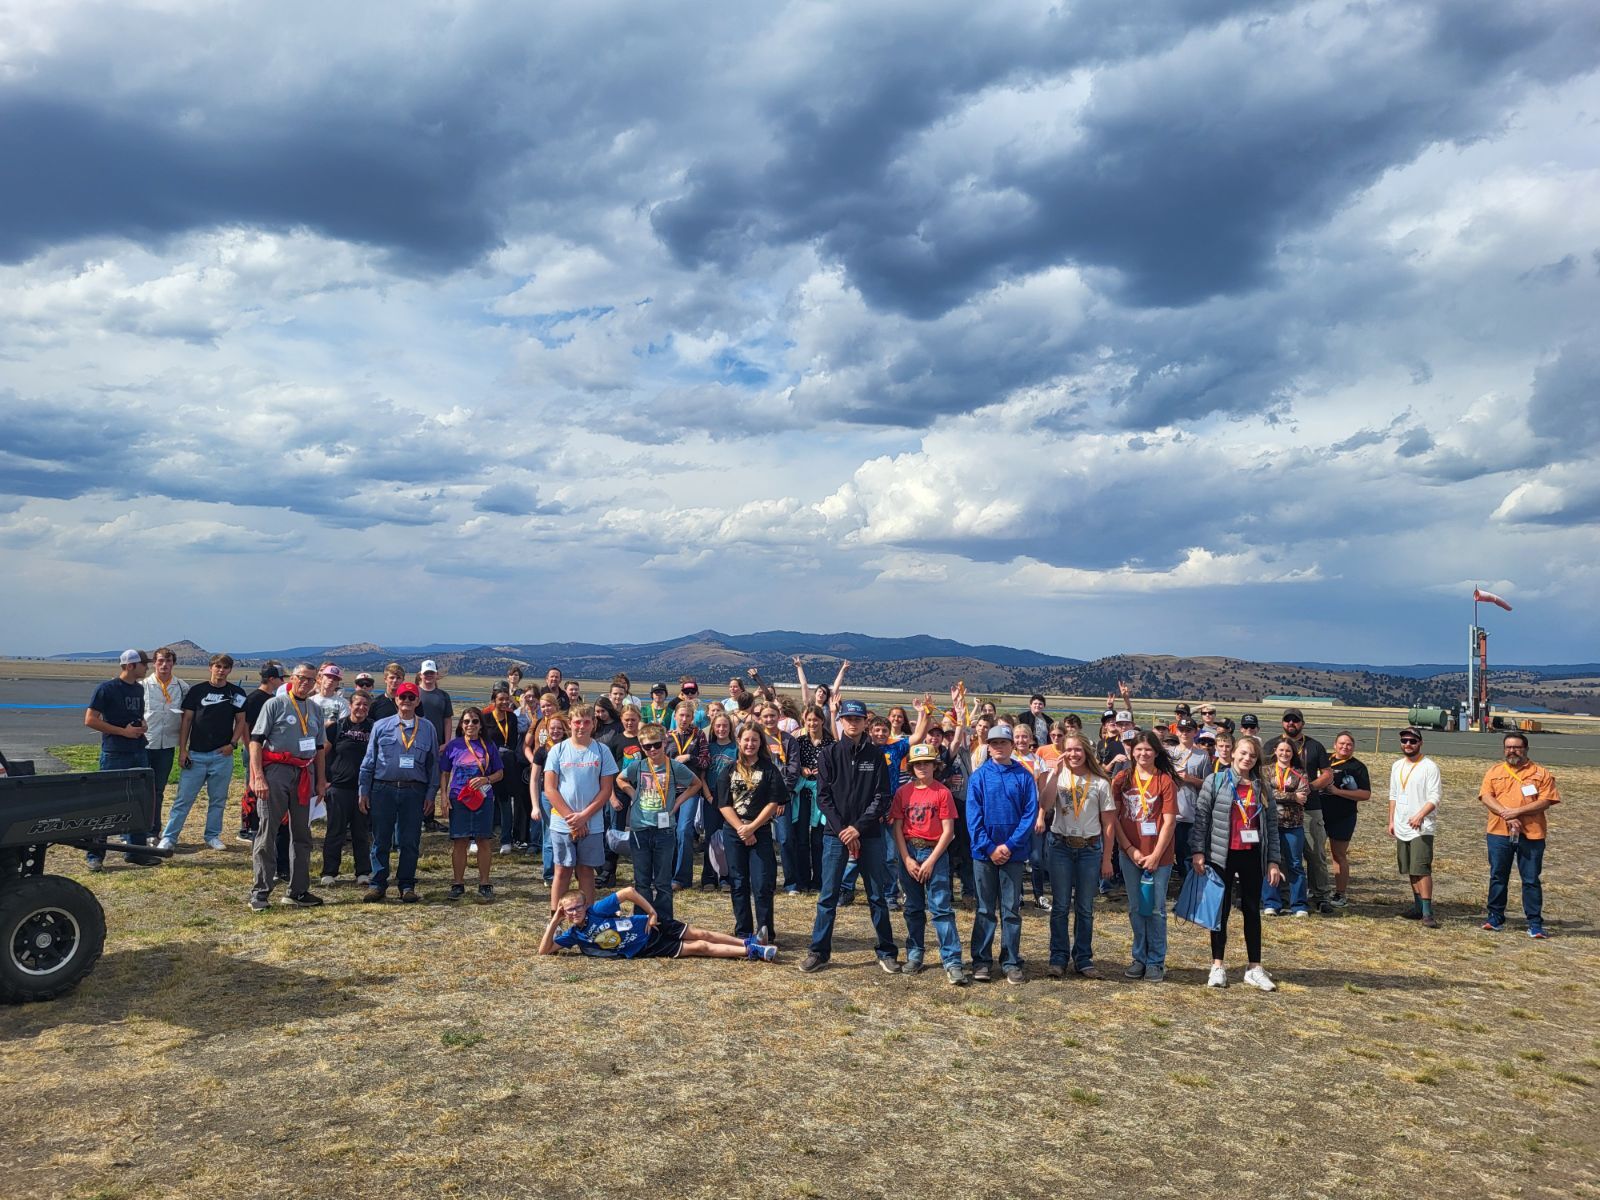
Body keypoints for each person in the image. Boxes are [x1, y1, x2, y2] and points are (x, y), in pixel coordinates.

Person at [800, 699, 899, 975]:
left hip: (870, 834)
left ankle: (887, 951)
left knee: (877, 895)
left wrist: (858, 828)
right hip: (835, 834)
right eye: (848, 719)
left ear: (865, 722)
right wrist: (844, 830)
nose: (853, 723)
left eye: (858, 719)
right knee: (828, 895)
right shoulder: (829, 754)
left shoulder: (876, 756)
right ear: (841, 721)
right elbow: (823, 797)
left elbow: (882, 796)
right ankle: (819, 951)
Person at [1191, 735, 1284, 991]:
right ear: (1232, 753)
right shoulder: (1215, 781)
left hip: (1252, 854)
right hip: (1221, 854)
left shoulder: (1262, 787)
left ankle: (1254, 967)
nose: (1247, 758)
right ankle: (1217, 965)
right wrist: (1197, 851)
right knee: (1220, 911)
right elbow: (1201, 819)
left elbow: (1271, 827)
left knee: (1252, 910)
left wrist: (1273, 861)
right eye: (1243, 753)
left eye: (1252, 755)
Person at [246, 663, 328, 909]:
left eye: (310, 679)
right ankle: (260, 892)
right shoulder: (275, 704)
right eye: (301, 678)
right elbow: (255, 741)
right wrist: (257, 776)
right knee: (268, 831)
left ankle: (298, 890)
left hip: (304, 773)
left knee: (302, 834)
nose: (305, 683)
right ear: (291, 678)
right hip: (277, 771)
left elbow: (320, 748)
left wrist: (321, 780)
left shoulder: (315, 709)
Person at [1039, 733, 1115, 979]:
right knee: (1060, 906)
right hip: (1060, 846)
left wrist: (1107, 858)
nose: (1073, 754)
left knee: (1084, 907)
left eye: (1078, 750)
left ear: (1086, 752)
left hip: (1089, 849)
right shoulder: (1057, 776)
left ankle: (1083, 958)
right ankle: (1058, 958)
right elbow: (1045, 805)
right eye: (1069, 750)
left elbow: (1109, 824)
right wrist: (1054, 773)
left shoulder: (1100, 782)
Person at [358, 682, 442, 903]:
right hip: (383, 789)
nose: (406, 701)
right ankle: (378, 884)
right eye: (402, 697)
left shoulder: (428, 728)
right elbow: (369, 760)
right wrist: (363, 790)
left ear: (417, 701)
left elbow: (434, 764)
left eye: (411, 697)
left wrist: (431, 795)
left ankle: (406, 885)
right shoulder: (381, 726)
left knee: (409, 840)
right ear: (396, 699)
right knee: (381, 839)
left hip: (414, 791)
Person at [891, 743, 967, 985]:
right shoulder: (903, 792)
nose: (922, 767)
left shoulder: (942, 792)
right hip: (910, 852)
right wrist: (906, 858)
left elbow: (948, 831)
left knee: (941, 909)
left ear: (935, 765)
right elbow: (897, 828)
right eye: (917, 764)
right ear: (911, 768)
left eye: (927, 763)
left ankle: (952, 961)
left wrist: (932, 860)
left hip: (935, 852)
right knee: (913, 908)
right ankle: (915, 954)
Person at [617, 724, 706, 924]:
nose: (652, 749)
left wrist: (677, 802)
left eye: (656, 745)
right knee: (642, 881)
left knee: (663, 881)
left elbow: (696, 784)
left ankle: (664, 922)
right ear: (641, 747)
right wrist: (632, 794)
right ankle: (642, 921)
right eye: (647, 746)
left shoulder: (674, 766)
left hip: (664, 830)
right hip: (640, 829)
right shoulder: (638, 766)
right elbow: (620, 779)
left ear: (664, 743)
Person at [538, 887, 776, 962]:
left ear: (585, 905)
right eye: (569, 910)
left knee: (701, 933)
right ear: (564, 912)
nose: (575, 912)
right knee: (700, 947)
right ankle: (752, 951)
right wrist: (554, 921)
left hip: (650, 925)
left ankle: (748, 941)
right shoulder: (574, 935)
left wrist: (651, 912)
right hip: (645, 947)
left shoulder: (596, 910)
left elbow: (628, 892)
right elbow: (544, 951)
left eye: (578, 907)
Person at [1110, 732, 1179, 981]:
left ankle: (1156, 961)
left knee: (1156, 909)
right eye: (1138, 749)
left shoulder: (1165, 781)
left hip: (1159, 857)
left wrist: (1155, 855)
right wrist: (1130, 849)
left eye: (1148, 749)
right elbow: (1114, 818)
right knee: (1137, 907)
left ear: (1156, 753)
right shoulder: (1122, 779)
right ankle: (1139, 957)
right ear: (1132, 752)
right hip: (1131, 855)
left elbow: (1169, 822)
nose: (1143, 754)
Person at [82, 649, 160, 869]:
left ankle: (136, 851)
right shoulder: (106, 689)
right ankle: (95, 854)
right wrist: (122, 732)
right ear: (131, 665)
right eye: (144, 664)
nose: (147, 668)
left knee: (139, 801)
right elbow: (90, 720)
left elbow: (135, 716)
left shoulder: (138, 689)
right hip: (115, 752)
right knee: (107, 802)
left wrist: (142, 726)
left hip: (138, 750)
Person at [1477, 732, 1560, 938]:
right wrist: (1506, 815)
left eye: (1516, 747)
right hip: (1499, 832)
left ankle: (1534, 923)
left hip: (1531, 834)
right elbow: (1486, 796)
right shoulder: (1494, 771)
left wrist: (1517, 812)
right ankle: (1495, 917)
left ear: (1526, 749)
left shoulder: (1540, 773)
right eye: (1508, 747)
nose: (1512, 751)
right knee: (1498, 875)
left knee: (1530, 879)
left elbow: (1546, 801)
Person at [163, 652, 246, 852]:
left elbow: (241, 721)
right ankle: (169, 837)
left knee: (218, 799)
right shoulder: (197, 691)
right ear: (211, 668)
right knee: (183, 799)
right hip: (196, 755)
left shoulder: (236, 693)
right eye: (218, 666)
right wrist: (183, 750)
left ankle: (212, 835)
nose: (221, 671)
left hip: (222, 756)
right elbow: (187, 720)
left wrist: (233, 744)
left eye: (225, 667)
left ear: (230, 670)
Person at [715, 724, 787, 946]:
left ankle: (765, 932)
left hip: (760, 831)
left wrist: (752, 828)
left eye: (754, 740)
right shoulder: (729, 770)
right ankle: (743, 933)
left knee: (762, 883)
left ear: (760, 742)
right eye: (746, 739)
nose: (750, 744)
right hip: (734, 832)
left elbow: (774, 802)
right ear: (738, 741)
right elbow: (723, 804)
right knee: (738, 883)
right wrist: (742, 830)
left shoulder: (769, 769)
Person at [542, 704, 618, 909]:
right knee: (562, 870)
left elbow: (606, 790)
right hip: (562, 822)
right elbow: (550, 788)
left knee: (586, 870)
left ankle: (588, 917)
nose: (581, 726)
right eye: (577, 722)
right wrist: (572, 819)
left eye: (586, 722)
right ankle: (556, 916)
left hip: (592, 822)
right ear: (570, 723)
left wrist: (584, 817)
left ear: (593, 724)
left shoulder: (602, 751)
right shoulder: (558, 750)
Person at [1268, 708, 1335, 914]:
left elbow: (1327, 774)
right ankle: (1284, 896)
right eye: (1287, 720)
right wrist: (1290, 794)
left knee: (1314, 854)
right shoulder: (1271, 745)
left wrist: (1307, 787)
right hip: (1276, 811)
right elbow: (1263, 774)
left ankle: (1321, 895)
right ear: (1282, 723)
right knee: (1280, 856)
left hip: (1309, 809)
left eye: (1295, 720)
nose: (1291, 723)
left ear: (1302, 724)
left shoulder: (1314, 746)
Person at [439, 708, 503, 901]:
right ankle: (458, 883)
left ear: (481, 725)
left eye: (475, 721)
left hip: (483, 798)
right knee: (460, 841)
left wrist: (486, 779)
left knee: (483, 841)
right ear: (461, 724)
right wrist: (443, 796)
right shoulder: (454, 746)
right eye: (466, 721)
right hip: (459, 798)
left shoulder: (489, 745)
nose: (470, 725)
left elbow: (500, 773)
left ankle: (484, 883)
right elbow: (445, 773)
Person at [1388, 726, 1442, 929]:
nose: (1408, 744)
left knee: (1422, 868)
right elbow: (1393, 795)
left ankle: (1427, 912)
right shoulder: (1397, 765)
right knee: (1410, 868)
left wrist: (1420, 815)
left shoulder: (1429, 767)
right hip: (1402, 824)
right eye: (1404, 741)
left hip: (1422, 827)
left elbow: (1435, 797)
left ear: (1420, 743)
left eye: (1412, 741)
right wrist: (1391, 820)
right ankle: (1417, 906)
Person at [319, 688, 373, 887]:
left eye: (365, 705)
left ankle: (363, 872)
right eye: (357, 704)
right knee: (335, 832)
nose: (361, 708)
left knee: (361, 833)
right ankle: (329, 872)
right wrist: (323, 780)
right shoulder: (337, 727)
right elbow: (323, 755)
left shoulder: (373, 728)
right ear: (350, 706)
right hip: (338, 787)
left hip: (363, 790)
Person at [141, 646, 188, 843]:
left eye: (168, 661)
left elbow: (187, 719)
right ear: (154, 663)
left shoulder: (182, 688)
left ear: (173, 664)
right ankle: (134, 832)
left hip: (166, 746)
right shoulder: (143, 685)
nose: (164, 665)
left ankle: (153, 830)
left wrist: (184, 748)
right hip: (144, 744)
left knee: (158, 790)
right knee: (140, 789)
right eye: (160, 661)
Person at [1260, 737, 1310, 916]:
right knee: (1269, 862)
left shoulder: (1300, 773)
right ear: (1275, 750)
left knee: (1295, 864)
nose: (1284, 753)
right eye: (1281, 750)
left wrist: (1281, 795)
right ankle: (1271, 903)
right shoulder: (1265, 771)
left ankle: (1299, 905)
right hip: (1270, 824)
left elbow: (1303, 795)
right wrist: (1292, 796)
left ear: (1293, 753)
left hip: (1292, 825)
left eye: (1288, 750)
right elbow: (1264, 793)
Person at [1323, 731, 1371, 908]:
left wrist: (1338, 792)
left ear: (1353, 747)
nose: (1345, 747)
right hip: (1319, 814)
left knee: (1338, 854)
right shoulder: (1324, 760)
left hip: (1343, 816)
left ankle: (1340, 893)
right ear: (1334, 745)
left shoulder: (1358, 767)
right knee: (1314, 854)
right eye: (1342, 743)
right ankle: (1316, 888)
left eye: (1349, 744)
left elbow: (1365, 794)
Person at [787, 704, 832, 893]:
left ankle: (819, 880)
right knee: (801, 839)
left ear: (822, 720)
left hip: (822, 795)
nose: (812, 723)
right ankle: (802, 880)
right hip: (803, 794)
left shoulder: (830, 743)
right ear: (804, 721)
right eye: (809, 720)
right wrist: (801, 770)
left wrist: (823, 773)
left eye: (815, 719)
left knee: (818, 839)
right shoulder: (799, 741)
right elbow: (793, 763)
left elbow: (835, 767)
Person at [481, 686, 524, 855]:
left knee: (505, 802)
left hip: (506, 765)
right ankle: (479, 837)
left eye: (507, 699)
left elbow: (513, 741)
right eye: (501, 699)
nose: (504, 702)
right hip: (488, 765)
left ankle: (506, 840)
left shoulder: (511, 717)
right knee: (484, 801)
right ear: (494, 701)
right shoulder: (485, 718)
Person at [699, 709, 738, 891]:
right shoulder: (708, 747)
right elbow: (702, 776)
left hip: (731, 798)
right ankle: (709, 877)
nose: (721, 729)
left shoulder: (736, 748)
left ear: (730, 728)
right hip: (711, 796)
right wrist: (708, 796)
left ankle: (726, 877)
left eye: (725, 726)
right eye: (718, 726)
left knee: (728, 837)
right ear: (713, 728)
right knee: (710, 837)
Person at [1171, 717, 1210, 889]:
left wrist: (1190, 779)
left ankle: (1189, 888)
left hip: (1190, 813)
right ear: (1176, 731)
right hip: (1170, 811)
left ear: (1195, 732)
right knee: (1171, 852)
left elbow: (1207, 783)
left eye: (1188, 730)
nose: (1184, 733)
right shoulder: (1169, 753)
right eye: (1181, 730)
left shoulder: (1202, 755)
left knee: (1187, 854)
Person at [416, 660, 454, 832]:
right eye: (426, 673)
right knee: (418, 781)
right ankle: (418, 816)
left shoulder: (443, 696)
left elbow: (447, 720)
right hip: (417, 745)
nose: (429, 676)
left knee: (435, 781)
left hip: (438, 746)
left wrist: (446, 743)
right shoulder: (414, 693)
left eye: (431, 673)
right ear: (421, 674)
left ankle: (429, 818)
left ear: (436, 675)